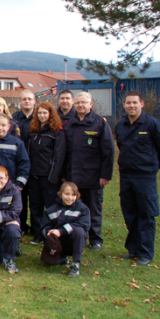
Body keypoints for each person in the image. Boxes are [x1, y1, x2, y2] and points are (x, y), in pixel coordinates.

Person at [115, 91, 160, 265]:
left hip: (145, 177)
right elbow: (122, 147)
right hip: (126, 176)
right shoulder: (121, 125)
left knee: (146, 214)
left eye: (135, 103)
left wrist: (152, 166)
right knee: (130, 213)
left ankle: (146, 252)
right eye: (128, 103)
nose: (131, 106)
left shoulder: (153, 124)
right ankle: (133, 249)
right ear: (124, 105)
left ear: (142, 104)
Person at [63, 92, 114, 251]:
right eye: (77, 103)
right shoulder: (69, 124)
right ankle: (79, 236)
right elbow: (64, 152)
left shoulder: (100, 123)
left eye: (84, 103)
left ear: (91, 104)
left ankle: (95, 239)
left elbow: (108, 151)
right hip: (74, 175)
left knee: (93, 208)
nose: (80, 106)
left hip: (93, 176)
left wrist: (105, 174)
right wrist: (64, 175)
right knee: (75, 208)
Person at [27, 102, 66, 244]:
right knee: (35, 207)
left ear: (50, 115)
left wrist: (53, 176)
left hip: (48, 176)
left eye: (45, 113)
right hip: (33, 175)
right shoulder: (33, 131)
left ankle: (51, 234)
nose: (42, 116)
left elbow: (59, 156)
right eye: (39, 113)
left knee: (50, 207)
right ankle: (38, 234)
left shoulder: (57, 132)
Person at [40, 182, 91, 278]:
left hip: (74, 242)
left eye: (73, 195)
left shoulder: (83, 209)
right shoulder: (51, 210)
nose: (70, 198)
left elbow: (84, 224)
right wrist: (49, 233)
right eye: (67, 194)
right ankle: (61, 257)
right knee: (48, 262)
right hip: (57, 243)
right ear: (60, 194)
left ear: (77, 196)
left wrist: (61, 231)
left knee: (79, 231)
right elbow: (43, 228)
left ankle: (75, 264)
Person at [13, 90, 36, 235]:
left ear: (34, 101)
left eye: (29, 99)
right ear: (20, 102)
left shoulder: (40, 117)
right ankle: (20, 226)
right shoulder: (14, 119)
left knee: (35, 200)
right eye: (24, 99)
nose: (27, 101)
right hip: (17, 165)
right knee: (20, 198)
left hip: (36, 165)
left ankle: (36, 228)